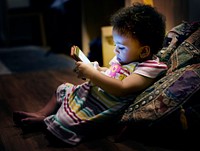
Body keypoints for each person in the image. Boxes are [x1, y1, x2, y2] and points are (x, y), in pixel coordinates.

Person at [13, 3, 168, 146]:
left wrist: (93, 75)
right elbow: (112, 72)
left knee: (67, 121)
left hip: (103, 105)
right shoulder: (126, 57)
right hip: (93, 93)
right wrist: (95, 68)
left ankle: (48, 121)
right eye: (116, 45)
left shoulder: (148, 68)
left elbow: (122, 87)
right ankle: (42, 114)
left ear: (144, 51)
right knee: (63, 88)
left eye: (120, 47)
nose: (115, 51)